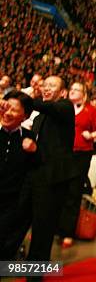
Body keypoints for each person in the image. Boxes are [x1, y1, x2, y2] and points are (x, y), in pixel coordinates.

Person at [13, 75, 77, 261]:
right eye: (45, 85)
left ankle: (36, 272)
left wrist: (22, 98)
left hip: (53, 179)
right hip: (33, 174)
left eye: (51, 86)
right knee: (19, 219)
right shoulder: (40, 118)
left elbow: (44, 105)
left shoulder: (65, 108)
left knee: (43, 227)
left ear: (63, 92)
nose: (46, 88)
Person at [58, 82, 96, 248]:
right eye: (71, 89)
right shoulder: (63, 107)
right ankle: (54, 227)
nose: (73, 91)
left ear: (84, 94)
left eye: (77, 90)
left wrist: (92, 135)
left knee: (73, 194)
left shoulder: (90, 111)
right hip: (63, 153)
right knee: (59, 191)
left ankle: (67, 233)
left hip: (80, 155)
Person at [0, 90, 37, 259]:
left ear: (25, 116)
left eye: (14, 110)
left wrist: (35, 151)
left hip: (12, 202)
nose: (7, 113)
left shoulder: (30, 139)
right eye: (6, 108)